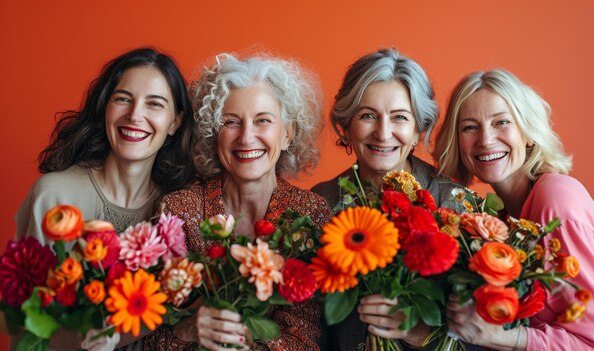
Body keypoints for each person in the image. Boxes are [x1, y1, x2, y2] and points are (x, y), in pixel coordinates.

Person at [143, 53, 332, 351]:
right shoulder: (177, 211)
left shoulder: (310, 214)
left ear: (287, 134)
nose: (246, 137)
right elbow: (148, 337)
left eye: (263, 121)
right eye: (231, 122)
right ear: (214, 134)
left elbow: (308, 334)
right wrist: (187, 330)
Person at [13, 48, 196, 349]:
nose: (135, 115)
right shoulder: (53, 197)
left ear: (175, 122)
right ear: (105, 107)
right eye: (123, 98)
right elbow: (29, 328)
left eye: (155, 104)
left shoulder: (178, 210)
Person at [435, 68, 594, 350]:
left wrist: (500, 337)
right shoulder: (504, 219)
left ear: (528, 133)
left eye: (501, 122)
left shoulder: (556, 200)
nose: (486, 139)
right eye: (470, 127)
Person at [311, 48, 466, 350]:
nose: (383, 133)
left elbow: (486, 335)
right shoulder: (320, 203)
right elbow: (311, 324)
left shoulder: (454, 205)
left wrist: (424, 334)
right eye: (368, 115)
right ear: (346, 125)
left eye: (399, 118)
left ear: (418, 128)